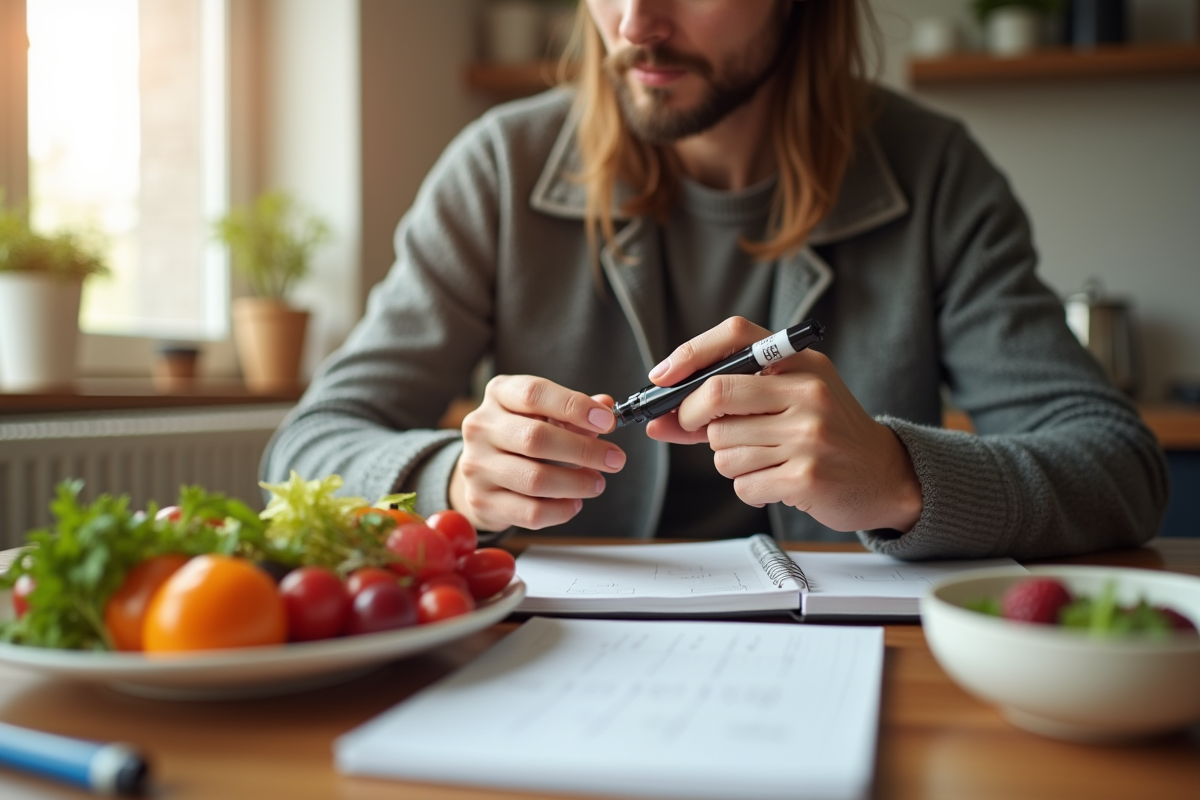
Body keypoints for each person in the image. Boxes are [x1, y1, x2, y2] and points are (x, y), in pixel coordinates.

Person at [262, 0, 1168, 560]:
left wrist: (899, 478)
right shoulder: (497, 169)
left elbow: (1119, 469)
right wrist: (452, 481)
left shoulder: (934, 174)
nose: (633, 23)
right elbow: (303, 450)